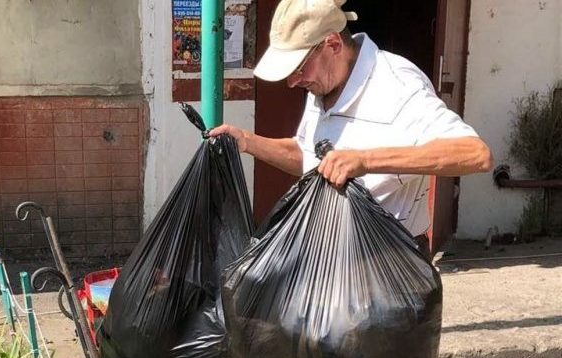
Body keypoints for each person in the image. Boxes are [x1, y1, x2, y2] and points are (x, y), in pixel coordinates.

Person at [208, 0, 492, 262]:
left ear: (332, 44)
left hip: (386, 263)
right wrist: (247, 141)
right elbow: (308, 157)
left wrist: (365, 161)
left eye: (299, 68)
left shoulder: (398, 86)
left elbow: (475, 154)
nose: (293, 82)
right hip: (327, 258)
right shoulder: (323, 86)